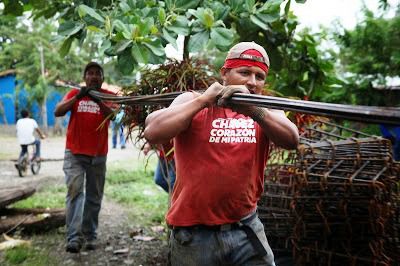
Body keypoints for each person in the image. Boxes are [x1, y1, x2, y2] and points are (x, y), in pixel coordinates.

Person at [144, 41, 299, 266]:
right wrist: (204, 100)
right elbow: (153, 132)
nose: (252, 82)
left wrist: (254, 111)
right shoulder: (192, 100)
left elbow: (292, 139)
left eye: (259, 76)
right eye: (244, 72)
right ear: (224, 73)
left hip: (246, 228)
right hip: (194, 235)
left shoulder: (266, 110)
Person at [54, 61, 115, 253]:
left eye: (98, 73)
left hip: (98, 155)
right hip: (74, 154)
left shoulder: (109, 96)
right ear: (85, 77)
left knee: (94, 197)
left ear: (102, 78)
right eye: (90, 73)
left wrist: (98, 100)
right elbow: (58, 111)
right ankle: (74, 238)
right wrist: (79, 96)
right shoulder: (74, 93)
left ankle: (90, 236)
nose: (94, 76)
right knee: (75, 194)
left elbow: (113, 116)